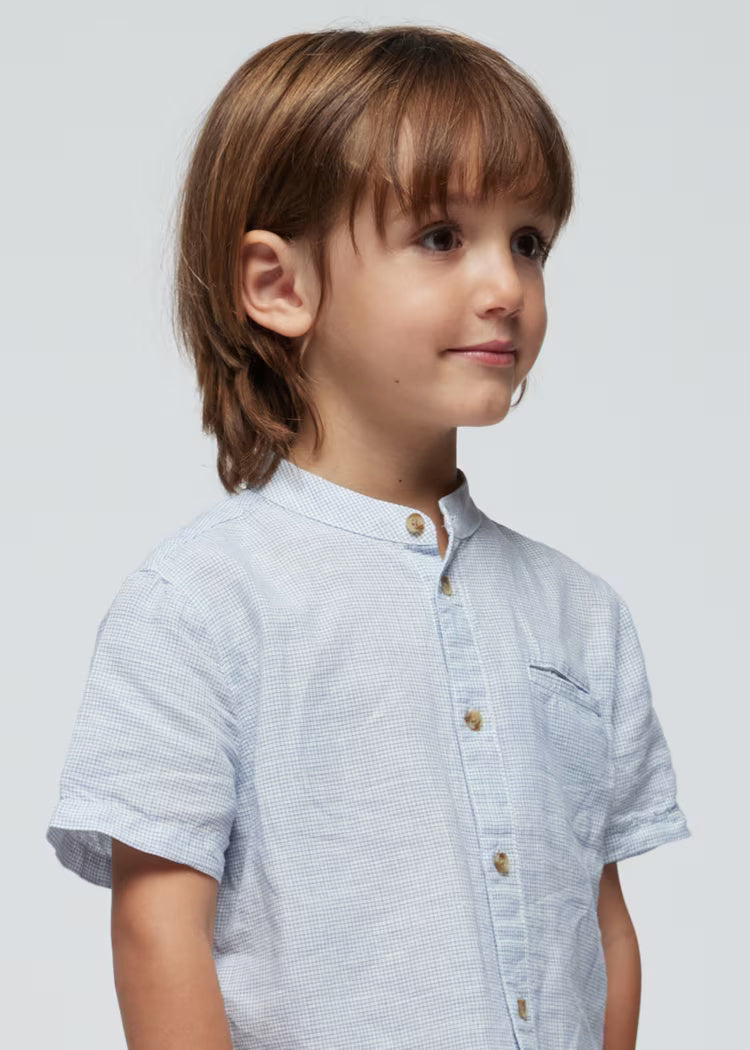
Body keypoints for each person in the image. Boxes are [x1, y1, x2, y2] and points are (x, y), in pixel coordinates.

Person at [45, 24, 691, 1050]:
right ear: (279, 285)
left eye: (529, 242)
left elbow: (601, 927)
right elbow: (157, 932)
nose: (506, 287)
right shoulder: (201, 607)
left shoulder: (583, 617)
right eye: (441, 237)